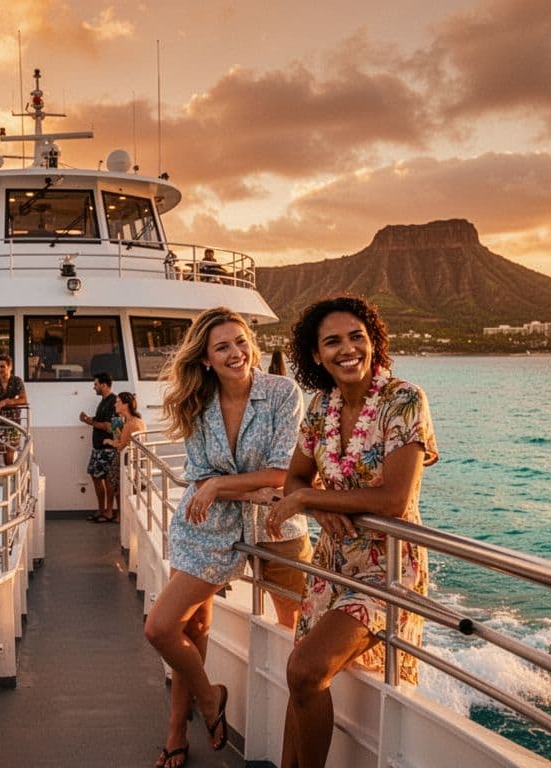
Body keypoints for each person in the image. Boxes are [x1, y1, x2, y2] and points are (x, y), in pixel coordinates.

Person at [263, 295, 438, 768]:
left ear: (374, 342)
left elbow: (394, 499)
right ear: (316, 354)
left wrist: (310, 499)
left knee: (306, 668)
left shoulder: (404, 400)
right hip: (333, 561)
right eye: (332, 341)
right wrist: (317, 506)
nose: (347, 349)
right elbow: (296, 478)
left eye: (357, 337)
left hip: (389, 568)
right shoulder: (321, 407)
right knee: (299, 680)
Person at [142, 307, 306, 768]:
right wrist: (224, 487)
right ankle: (202, 706)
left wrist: (219, 485)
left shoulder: (282, 393)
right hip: (207, 528)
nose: (236, 353)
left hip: (276, 527)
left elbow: (282, 473)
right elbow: (200, 475)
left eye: (241, 341)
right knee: (171, 628)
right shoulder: (196, 402)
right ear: (206, 359)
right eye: (222, 347)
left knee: (296, 636)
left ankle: (286, 739)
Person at [78, 372, 118, 523]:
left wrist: (89, 422)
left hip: (107, 449)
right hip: (98, 449)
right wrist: (88, 419)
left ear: (104, 385)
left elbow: (108, 426)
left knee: (108, 480)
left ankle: (108, 511)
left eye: (96, 384)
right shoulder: (103, 401)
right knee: (95, 477)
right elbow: (100, 420)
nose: (94, 387)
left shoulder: (112, 401)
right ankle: (101, 509)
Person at [103, 391, 145, 495]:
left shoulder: (129, 424)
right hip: (137, 461)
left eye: (118, 402)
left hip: (128, 461)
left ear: (126, 405)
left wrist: (109, 442)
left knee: (110, 479)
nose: (115, 405)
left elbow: (121, 447)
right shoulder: (138, 420)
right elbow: (126, 440)